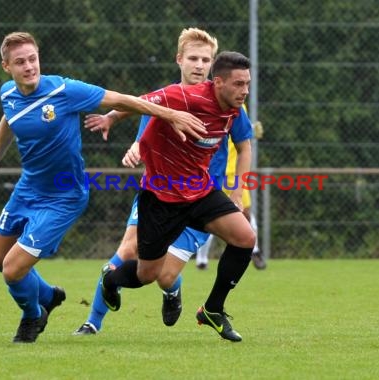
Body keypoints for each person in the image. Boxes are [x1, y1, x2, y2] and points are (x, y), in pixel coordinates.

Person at [0, 31, 205, 343]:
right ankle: (48, 297)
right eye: (20, 62)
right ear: (6, 67)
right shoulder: (8, 93)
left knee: (12, 270)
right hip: (28, 188)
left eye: (32, 59)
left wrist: (171, 113)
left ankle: (33, 315)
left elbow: (122, 100)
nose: (29, 66)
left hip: (64, 195)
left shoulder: (65, 91)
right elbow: (10, 119)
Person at [74, 28, 253, 336]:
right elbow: (141, 107)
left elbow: (245, 144)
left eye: (205, 60)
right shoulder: (174, 96)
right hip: (160, 195)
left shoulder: (232, 105)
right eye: (193, 58)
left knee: (241, 239)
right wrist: (118, 124)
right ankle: (95, 316)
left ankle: (211, 309)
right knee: (138, 263)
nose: (199, 65)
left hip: (200, 192)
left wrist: (239, 187)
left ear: (213, 69)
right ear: (179, 60)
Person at [196, 124, 267, 270]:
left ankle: (254, 250)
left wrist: (250, 129)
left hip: (236, 173)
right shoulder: (214, 106)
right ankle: (201, 258)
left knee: (245, 211)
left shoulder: (240, 106)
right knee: (211, 215)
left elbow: (242, 132)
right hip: (218, 172)